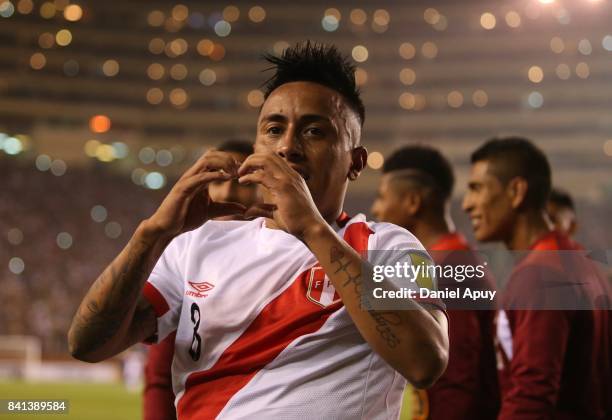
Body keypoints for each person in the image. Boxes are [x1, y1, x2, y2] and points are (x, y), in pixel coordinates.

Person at [68, 41, 449, 419]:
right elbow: (87, 344)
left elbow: (426, 362)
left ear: (355, 162)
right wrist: (153, 233)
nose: (287, 147)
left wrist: (313, 230)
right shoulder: (197, 244)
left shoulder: (391, 244)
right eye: (273, 129)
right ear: (256, 146)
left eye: (314, 132)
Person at [462, 136, 611, 419]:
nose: (467, 204)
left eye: (477, 188)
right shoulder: (578, 260)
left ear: (516, 191)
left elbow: (532, 397)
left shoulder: (540, 274)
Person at [371, 145, 498, 420]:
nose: (376, 208)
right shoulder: (433, 262)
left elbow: (457, 381)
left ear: (412, 202)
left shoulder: (451, 267)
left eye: (382, 197)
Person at [143, 140, 257, 420]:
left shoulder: (372, 243)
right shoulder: (184, 253)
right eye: (219, 181)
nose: (229, 191)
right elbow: (159, 375)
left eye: (243, 183)